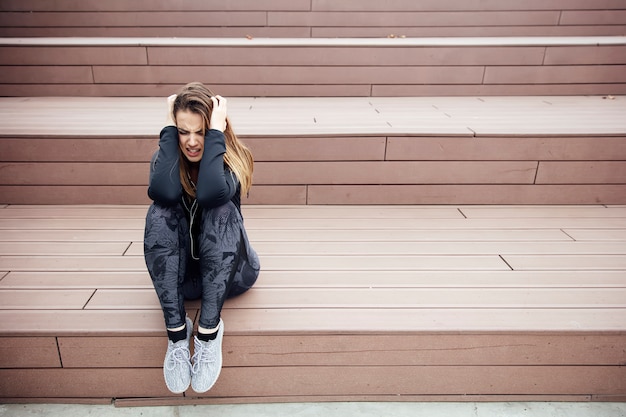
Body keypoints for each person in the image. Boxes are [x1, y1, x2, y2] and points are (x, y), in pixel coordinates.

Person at [143, 82, 260, 394]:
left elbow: (210, 194)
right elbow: (164, 193)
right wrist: (169, 129)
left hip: (230, 275)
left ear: (216, 129)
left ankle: (208, 333)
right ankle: (178, 335)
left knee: (221, 211)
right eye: (183, 131)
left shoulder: (235, 159)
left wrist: (216, 136)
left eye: (202, 131)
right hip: (182, 277)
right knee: (159, 212)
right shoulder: (165, 159)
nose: (192, 142)